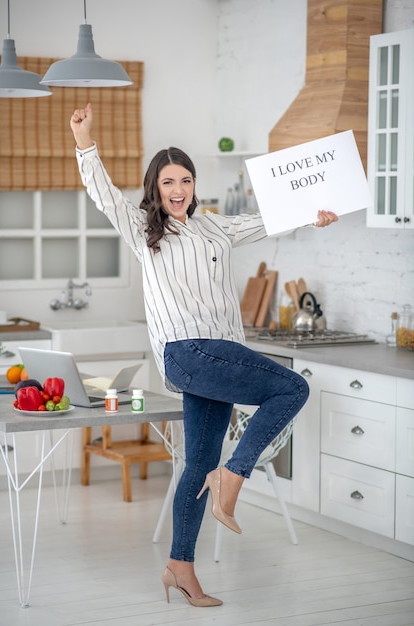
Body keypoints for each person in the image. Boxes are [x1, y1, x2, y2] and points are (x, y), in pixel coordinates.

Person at [70, 102, 338, 608]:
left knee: (196, 463)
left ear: (194, 186)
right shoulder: (143, 230)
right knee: (293, 387)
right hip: (188, 352)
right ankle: (233, 475)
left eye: (186, 181)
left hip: (220, 355)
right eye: (169, 182)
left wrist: (314, 215)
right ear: (155, 187)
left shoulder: (214, 228)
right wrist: (86, 142)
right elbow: (102, 194)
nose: (178, 190)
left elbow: (270, 219)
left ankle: (181, 568)